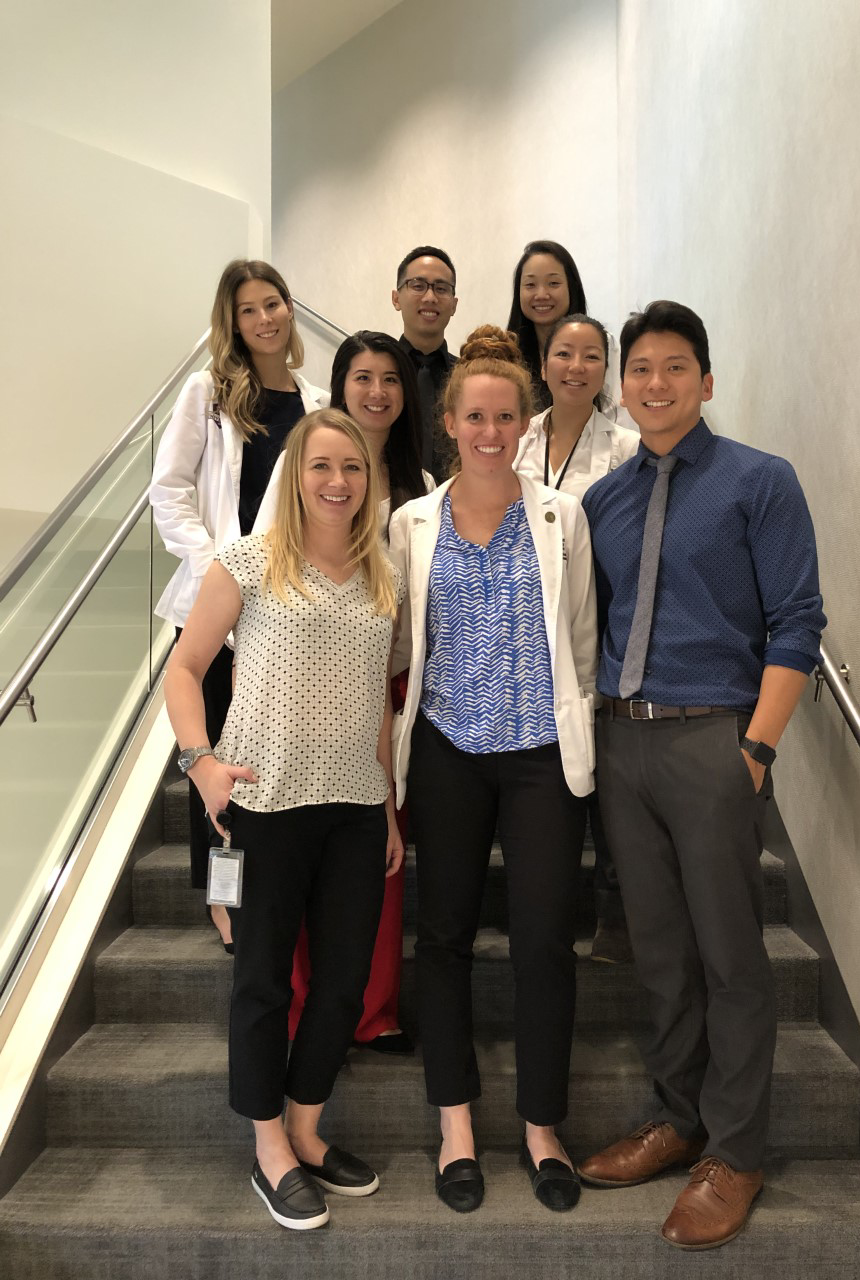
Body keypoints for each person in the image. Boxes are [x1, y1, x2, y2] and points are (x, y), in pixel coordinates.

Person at [577, 302, 826, 1250]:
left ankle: (737, 1149)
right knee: (661, 952)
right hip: (623, 743)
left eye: (675, 368)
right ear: (623, 386)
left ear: (706, 381)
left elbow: (798, 621)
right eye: (639, 370)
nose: (655, 384)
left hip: (714, 738)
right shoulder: (605, 502)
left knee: (730, 953)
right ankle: (679, 1120)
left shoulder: (761, 483)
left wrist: (756, 749)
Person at [165, 408, 404, 1230]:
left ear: (368, 481)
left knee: (341, 983)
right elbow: (185, 670)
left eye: (353, 469)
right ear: (295, 474)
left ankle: (305, 1129)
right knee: (264, 983)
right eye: (321, 466)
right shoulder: (247, 563)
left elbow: (379, 701)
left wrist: (391, 805)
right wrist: (201, 763)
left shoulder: (383, 575)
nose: (338, 482)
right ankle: (268, 1149)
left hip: (355, 810)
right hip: (262, 806)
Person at [389, 325, 597, 1216]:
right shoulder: (410, 524)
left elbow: (580, 642)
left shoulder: (562, 516)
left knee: (546, 937)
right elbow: (393, 648)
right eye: (474, 414)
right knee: (442, 939)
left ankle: (544, 1126)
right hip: (444, 752)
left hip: (540, 756)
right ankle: (457, 1124)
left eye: (506, 415)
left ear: (524, 421)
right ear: (448, 421)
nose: (490, 430)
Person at [255, 331, 433, 1054]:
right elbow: (265, 569)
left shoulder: (420, 482)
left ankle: (373, 1009)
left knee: (378, 862)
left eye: (391, 379)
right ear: (340, 385)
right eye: (362, 377)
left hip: (389, 683)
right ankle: (305, 1010)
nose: (378, 392)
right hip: (302, 681)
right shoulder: (305, 461)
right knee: (302, 862)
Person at [150, 259, 328, 952]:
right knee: (214, 769)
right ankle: (224, 902)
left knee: (264, 760)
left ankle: (284, 890)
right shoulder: (209, 393)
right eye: (249, 309)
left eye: (274, 303)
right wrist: (218, 569)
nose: (265, 318)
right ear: (233, 321)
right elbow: (169, 491)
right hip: (216, 610)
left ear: (290, 308)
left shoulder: (315, 403)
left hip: (284, 612)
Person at [514, 314, 640, 963]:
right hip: (523, 633)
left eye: (592, 356)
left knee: (600, 774)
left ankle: (615, 918)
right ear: (544, 364)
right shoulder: (517, 439)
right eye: (564, 353)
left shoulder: (624, 446)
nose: (576, 366)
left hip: (603, 622)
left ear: (604, 370)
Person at [392, 245, 459, 482]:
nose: (430, 297)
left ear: (454, 304)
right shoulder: (377, 374)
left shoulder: (467, 377)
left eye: (441, 289)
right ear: (396, 298)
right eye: (418, 286)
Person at [506, 240, 588, 412]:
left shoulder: (599, 347)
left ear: (571, 288)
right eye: (530, 285)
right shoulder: (506, 354)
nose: (541, 294)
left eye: (553, 283)